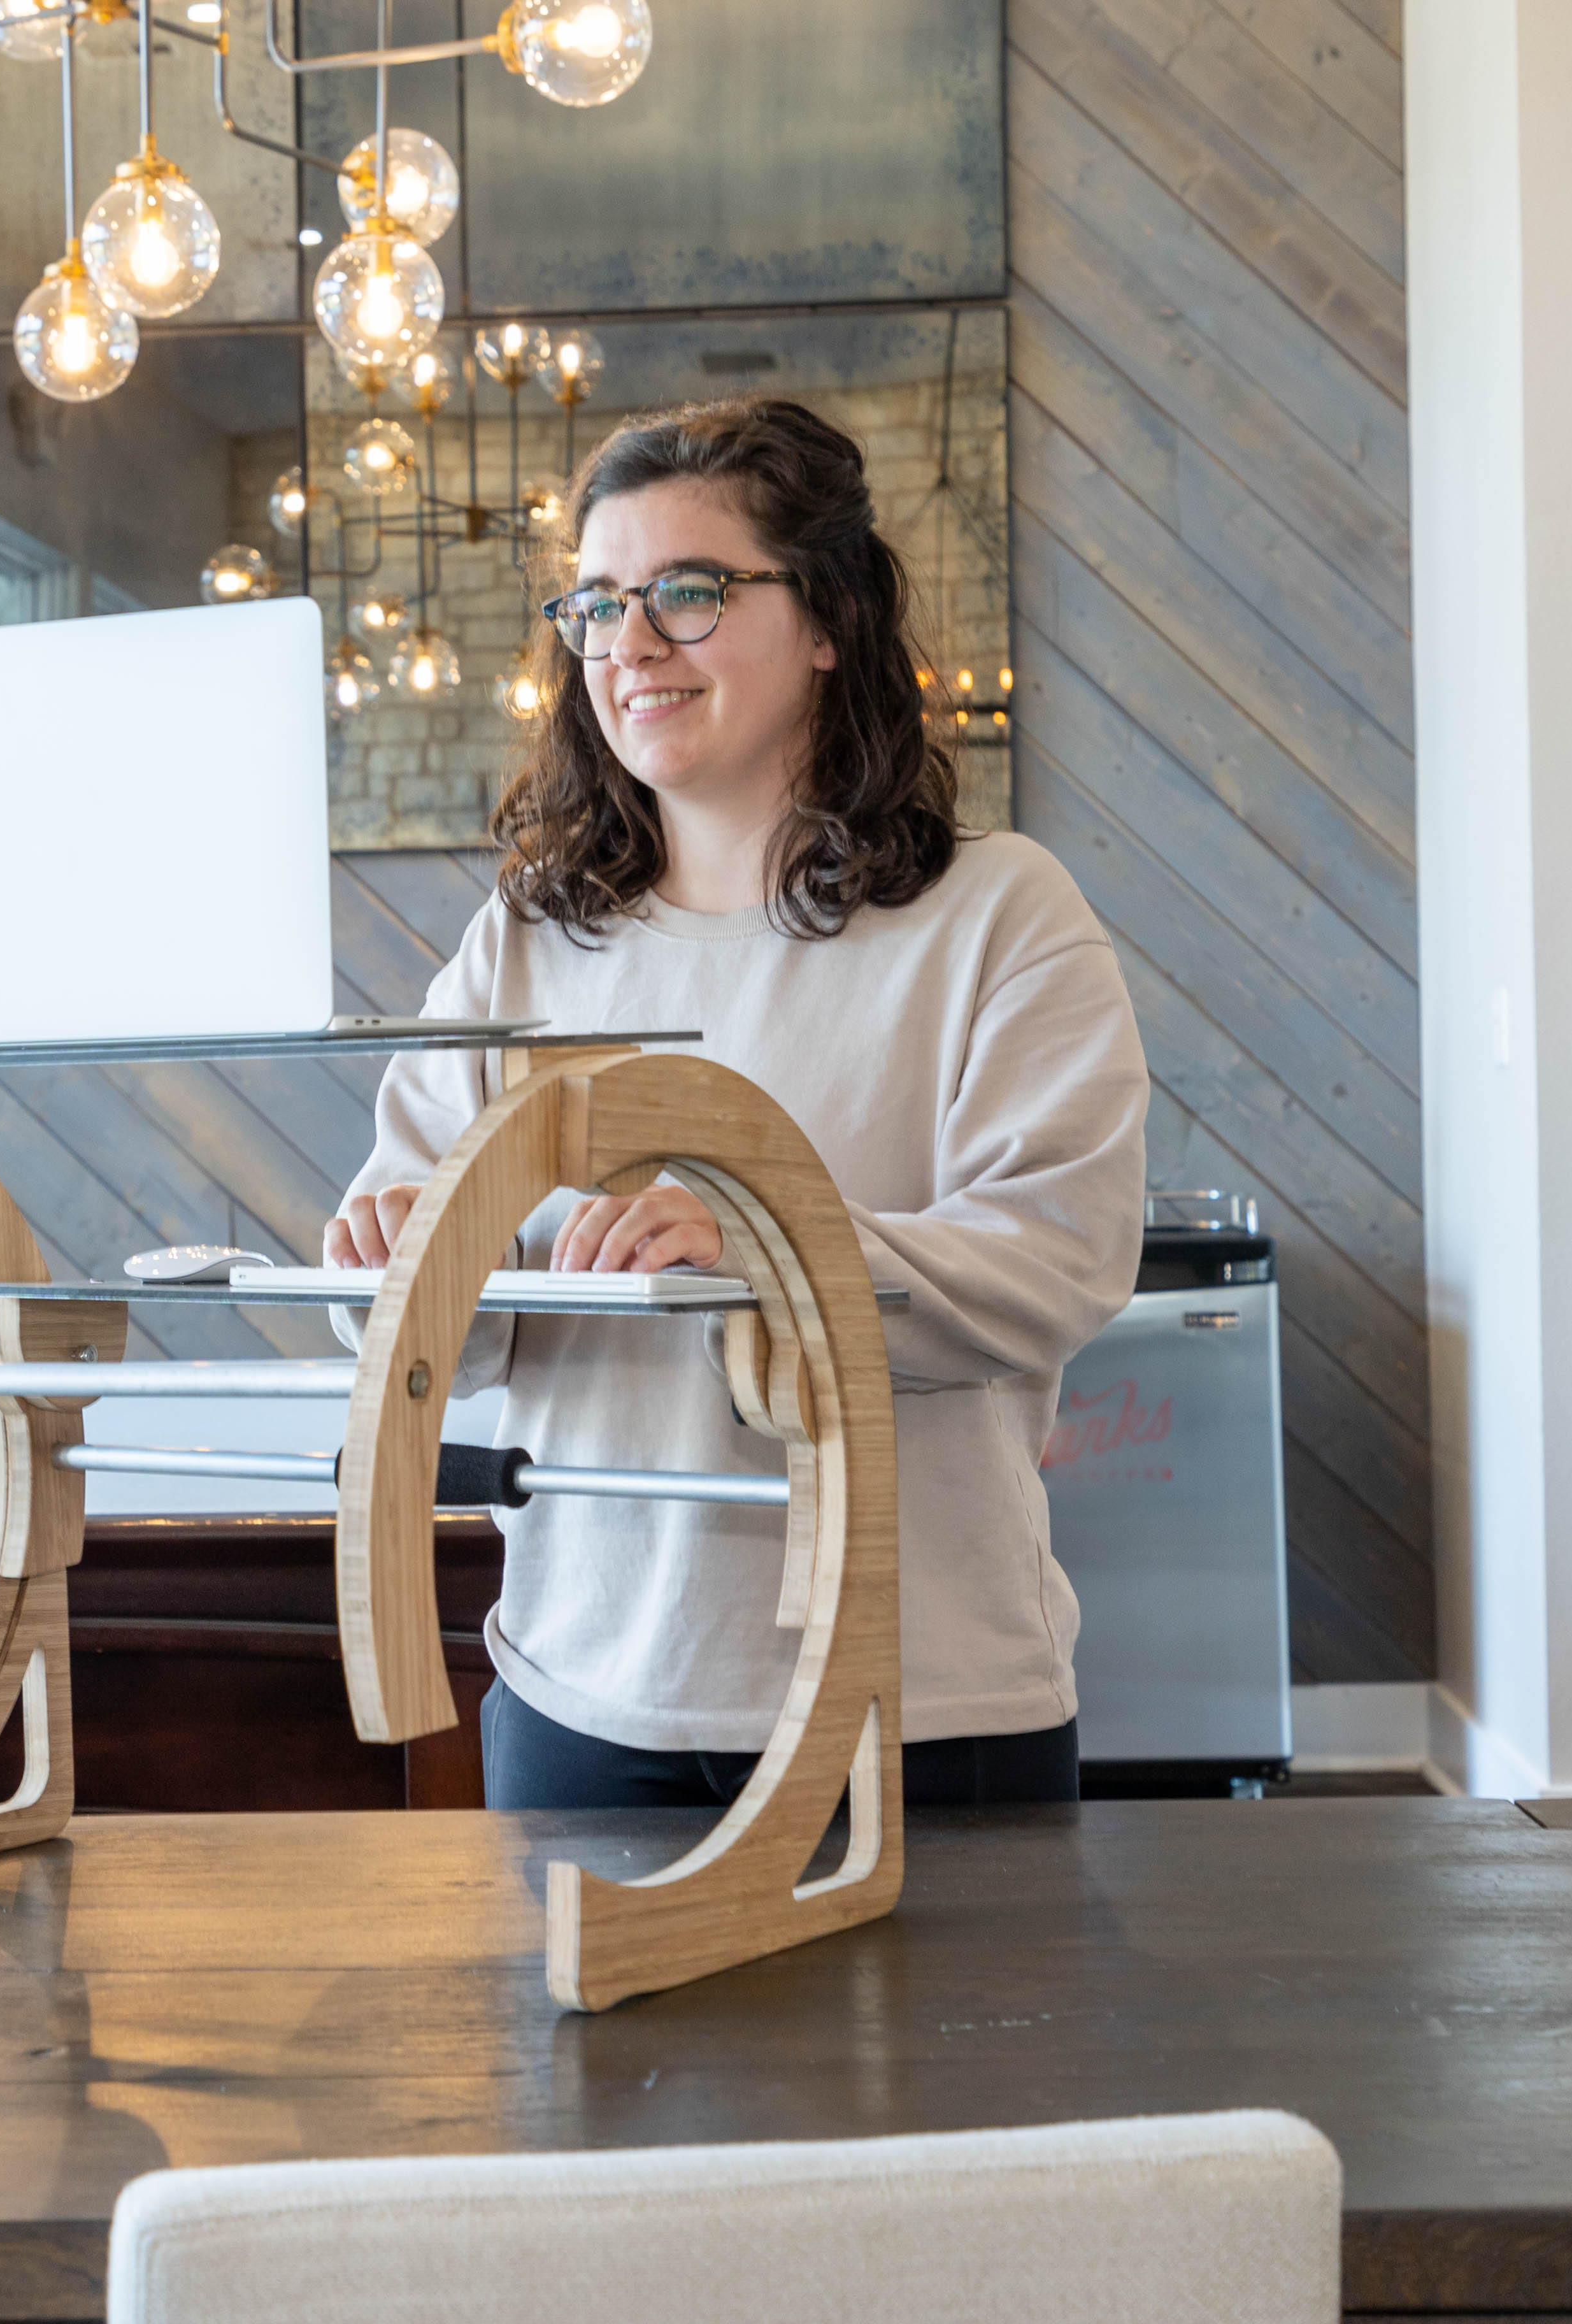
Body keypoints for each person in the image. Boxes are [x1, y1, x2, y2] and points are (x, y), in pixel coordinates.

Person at [322, 396, 1148, 1812]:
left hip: (923, 1702)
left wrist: (756, 1237)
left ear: (827, 616)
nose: (629, 645)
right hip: (582, 1693)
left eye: (686, 595)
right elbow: (427, 1331)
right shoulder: (523, 942)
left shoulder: (1001, 915)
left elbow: (1056, 1265)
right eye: (595, 605)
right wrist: (395, 1259)